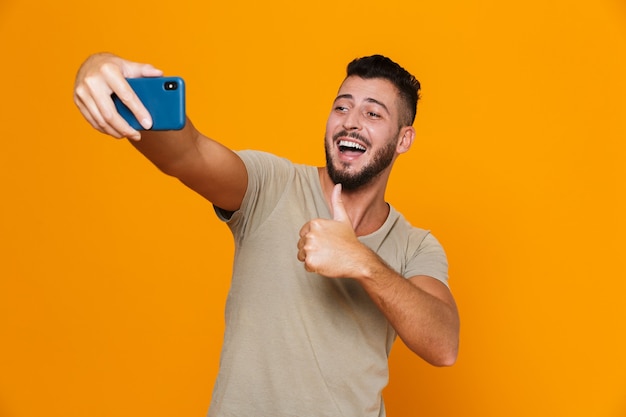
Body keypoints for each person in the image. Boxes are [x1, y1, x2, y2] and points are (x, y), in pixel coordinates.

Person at [74, 52, 460, 417]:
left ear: (403, 139)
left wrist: (361, 261)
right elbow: (187, 153)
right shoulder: (271, 185)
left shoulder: (415, 245)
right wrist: (104, 72)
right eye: (341, 107)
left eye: (372, 113)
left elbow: (443, 345)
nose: (350, 121)